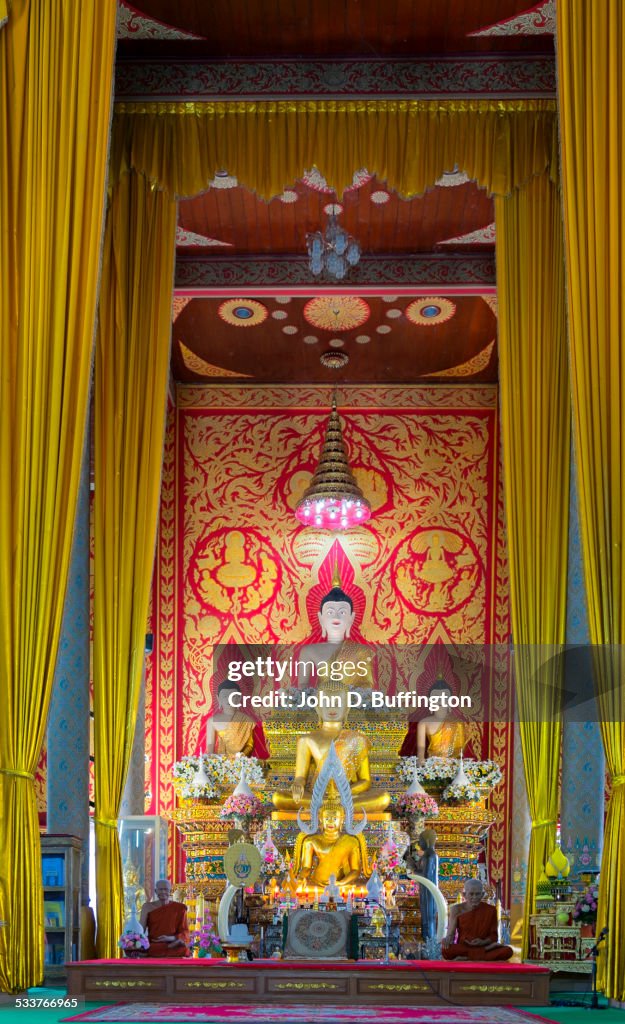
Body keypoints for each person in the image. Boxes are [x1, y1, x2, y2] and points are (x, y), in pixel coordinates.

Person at [272, 681, 390, 812]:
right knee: (279, 797)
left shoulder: (357, 739)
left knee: (383, 797)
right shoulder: (307, 740)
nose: (332, 708)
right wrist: (298, 784)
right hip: (318, 795)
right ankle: (331, 807)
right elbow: (300, 777)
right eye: (326, 703)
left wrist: (345, 792)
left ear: (347, 708)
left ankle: (322, 808)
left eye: (337, 703)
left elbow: (365, 781)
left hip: (346, 796)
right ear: (318, 707)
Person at [296, 585, 373, 690]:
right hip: (321, 704)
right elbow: (302, 686)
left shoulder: (362, 651)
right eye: (330, 612)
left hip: (352, 704)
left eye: (342, 612)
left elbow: (367, 687)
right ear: (321, 618)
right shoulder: (308, 651)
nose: (336, 617)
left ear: (351, 618)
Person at [442, 878, 513, 961]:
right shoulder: (456, 909)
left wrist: (483, 942)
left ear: (482, 894)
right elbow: (451, 934)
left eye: (477, 894)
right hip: (465, 947)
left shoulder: (491, 910)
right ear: (464, 895)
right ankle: (483, 954)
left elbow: (494, 936)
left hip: (483, 945)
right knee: (446, 950)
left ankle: (467, 958)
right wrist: (446, 940)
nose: (474, 897)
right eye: (471, 894)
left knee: (508, 951)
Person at [400, 680, 466, 761]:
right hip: (432, 764)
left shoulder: (457, 723)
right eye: (436, 697)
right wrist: (421, 760)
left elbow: (460, 749)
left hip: (453, 764)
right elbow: (421, 749)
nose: (440, 700)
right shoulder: (423, 723)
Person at [204, 679, 270, 759]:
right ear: (218, 698)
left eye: (233, 696)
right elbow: (210, 744)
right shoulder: (212, 721)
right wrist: (212, 760)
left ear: (239, 698)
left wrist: (240, 757)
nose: (229, 699)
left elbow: (249, 745)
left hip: (241, 763)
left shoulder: (247, 721)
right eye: (225, 696)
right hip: (221, 762)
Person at [139, 880, 190, 958]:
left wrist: (171, 938)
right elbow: (140, 930)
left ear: (170, 890)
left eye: (165, 889)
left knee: (183, 949)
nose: (163, 892)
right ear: (156, 891)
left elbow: (185, 931)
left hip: (172, 943)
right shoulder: (147, 907)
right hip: (154, 943)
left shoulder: (180, 908)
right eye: (160, 889)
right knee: (147, 948)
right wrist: (135, 942)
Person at [405, 828, 439, 940]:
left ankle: (430, 941)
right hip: (424, 889)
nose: (420, 844)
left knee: (429, 917)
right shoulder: (426, 856)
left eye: (421, 841)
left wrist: (413, 871)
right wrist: (410, 862)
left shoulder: (431, 856)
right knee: (425, 916)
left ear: (427, 841)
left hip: (430, 891)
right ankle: (426, 939)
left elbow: (426, 875)